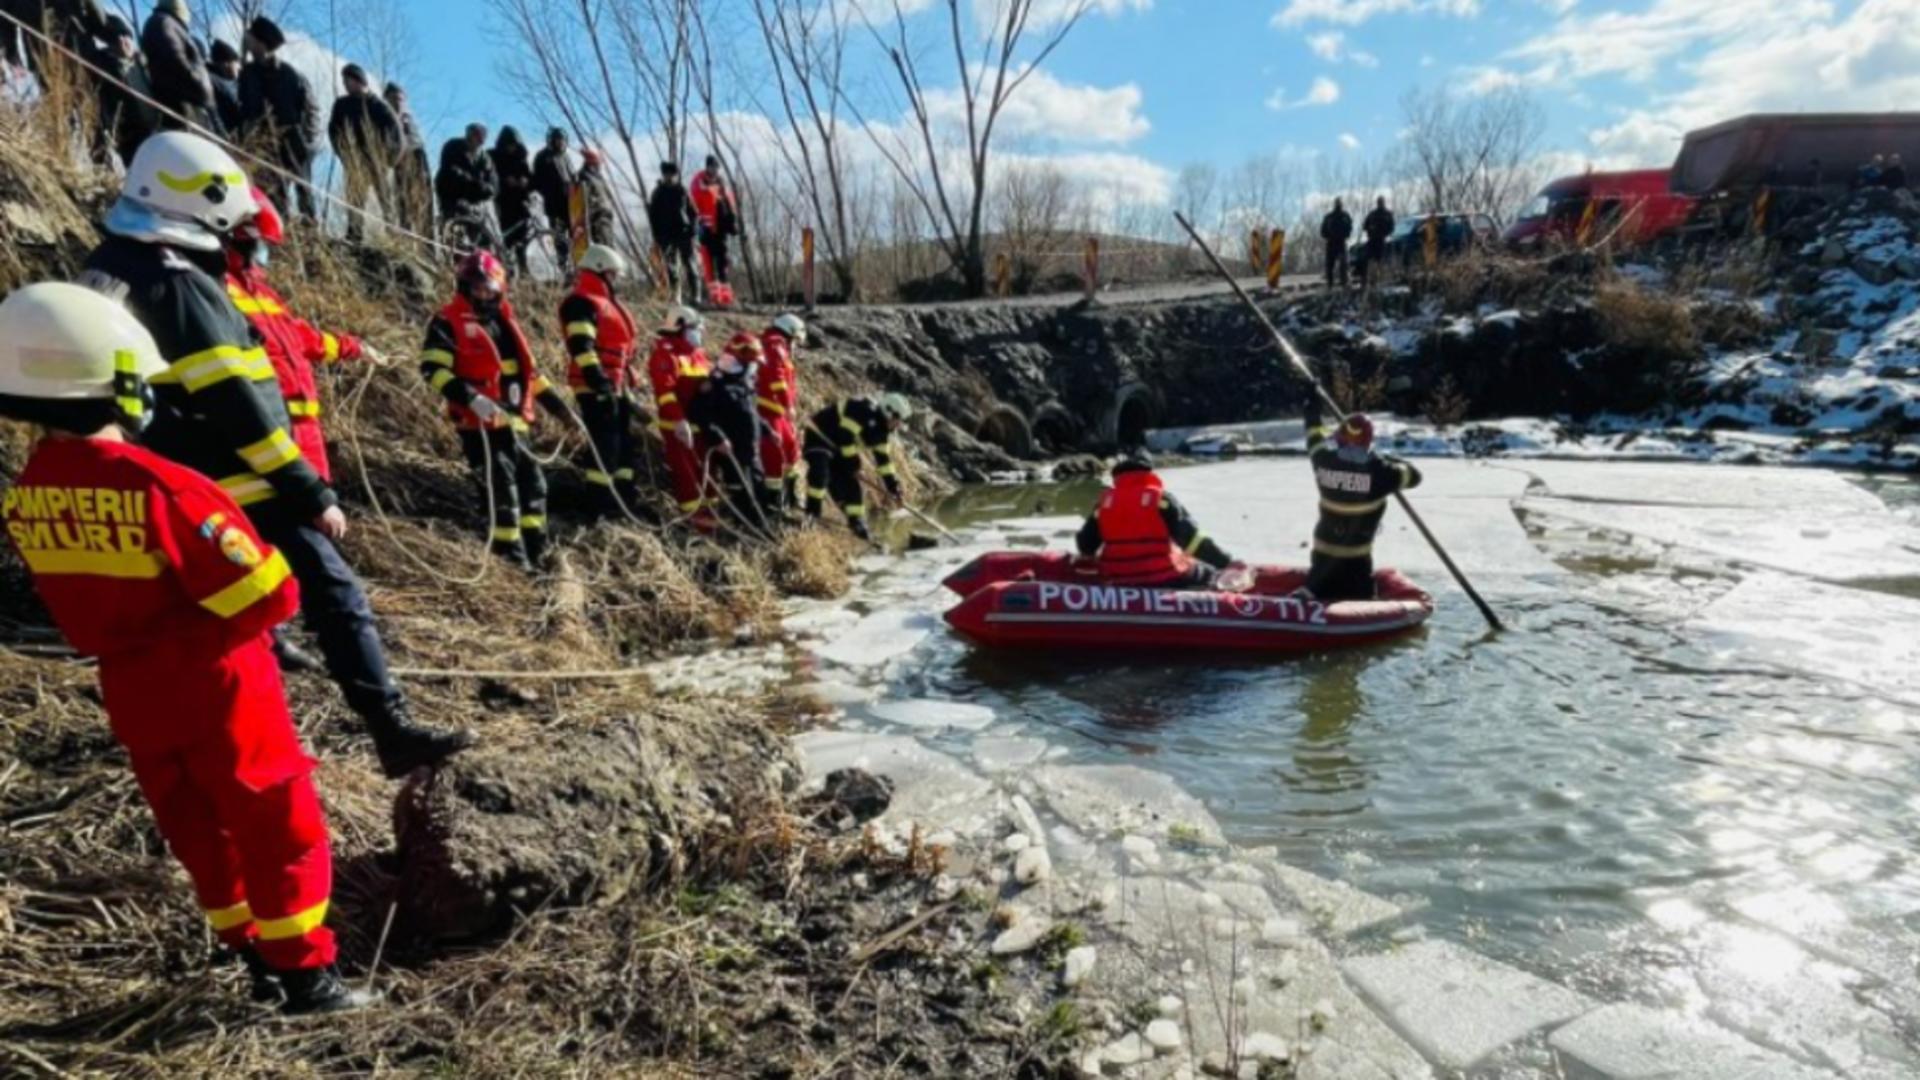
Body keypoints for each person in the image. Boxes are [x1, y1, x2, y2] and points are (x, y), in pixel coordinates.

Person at [0, 282, 374, 1015]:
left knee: (194, 821)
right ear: (114, 387)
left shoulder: (29, 491)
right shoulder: (166, 486)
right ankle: (305, 976)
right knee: (278, 821)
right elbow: (270, 592)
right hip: (220, 680)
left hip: (130, 686)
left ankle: (245, 953)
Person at [79, 132, 470, 778]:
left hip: (176, 484)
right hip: (243, 481)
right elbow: (235, 397)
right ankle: (389, 730)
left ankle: (246, 749)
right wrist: (306, 490)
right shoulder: (180, 282)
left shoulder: (109, 265)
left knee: (231, 622)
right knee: (337, 597)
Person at [420, 250, 569, 567]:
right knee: (503, 493)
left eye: (490, 290)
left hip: (515, 421)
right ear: (465, 286)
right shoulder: (447, 322)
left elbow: (530, 375)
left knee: (534, 487)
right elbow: (434, 370)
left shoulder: (505, 322)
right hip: (480, 425)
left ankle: (538, 551)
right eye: (478, 289)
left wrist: (562, 411)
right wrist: (472, 399)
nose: (484, 295)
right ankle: (513, 561)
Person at [223, 187, 366, 488]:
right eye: (261, 247)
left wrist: (354, 347)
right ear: (240, 242)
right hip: (272, 428)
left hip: (306, 428)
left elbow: (303, 339)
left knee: (321, 505)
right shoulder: (221, 292)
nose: (265, 257)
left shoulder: (264, 294)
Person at [1302, 396, 1422, 602]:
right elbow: (1415, 476)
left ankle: (1308, 598)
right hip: (1356, 565)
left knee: (1318, 593)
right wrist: (1387, 460)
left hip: (1322, 564)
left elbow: (1314, 436)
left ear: (1339, 438)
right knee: (1362, 599)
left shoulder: (1323, 461)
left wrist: (1312, 409)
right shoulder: (1382, 474)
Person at [1075, 453, 1239, 589]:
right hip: (1162, 576)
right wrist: (1226, 562)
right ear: (1149, 472)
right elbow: (1192, 541)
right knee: (1208, 572)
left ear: (1116, 476)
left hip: (1116, 576)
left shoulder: (1104, 504)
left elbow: (1085, 544)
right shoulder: (1161, 499)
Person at [559, 244, 640, 513]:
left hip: (616, 383)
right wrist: (597, 380)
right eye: (613, 274)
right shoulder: (581, 302)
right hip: (595, 384)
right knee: (605, 442)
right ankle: (600, 502)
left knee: (624, 442)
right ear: (600, 271)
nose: (616, 280)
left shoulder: (605, 302)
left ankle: (624, 498)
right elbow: (581, 344)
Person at [238, 16, 319, 223]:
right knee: (272, 196)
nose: (247, 41)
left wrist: (307, 142)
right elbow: (244, 110)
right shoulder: (247, 74)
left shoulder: (290, 75)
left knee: (304, 193)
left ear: (261, 43)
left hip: (294, 142)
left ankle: (310, 233)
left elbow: (312, 111)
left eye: (251, 38)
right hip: (263, 145)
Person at [647, 306, 717, 531]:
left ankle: (711, 524)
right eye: (695, 329)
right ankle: (695, 527)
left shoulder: (698, 354)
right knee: (688, 478)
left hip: (701, 426)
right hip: (679, 428)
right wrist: (678, 421)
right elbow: (665, 393)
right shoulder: (665, 353)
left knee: (708, 475)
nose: (700, 333)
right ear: (680, 328)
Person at [803, 394, 909, 542]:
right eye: (897, 421)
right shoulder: (861, 410)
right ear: (889, 411)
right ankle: (812, 514)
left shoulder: (882, 432)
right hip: (820, 437)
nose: (898, 425)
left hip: (839, 451)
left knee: (854, 490)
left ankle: (858, 525)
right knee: (820, 475)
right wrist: (855, 466)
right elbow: (845, 437)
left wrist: (894, 488)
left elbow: (884, 461)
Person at [689, 334, 769, 528]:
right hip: (732, 451)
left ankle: (762, 526)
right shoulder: (716, 384)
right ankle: (746, 530)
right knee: (742, 492)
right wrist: (718, 439)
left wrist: (766, 429)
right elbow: (700, 415)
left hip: (750, 450)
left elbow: (749, 412)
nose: (754, 366)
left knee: (759, 488)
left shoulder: (743, 381)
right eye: (750, 361)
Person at [327, 64, 400, 241]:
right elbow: (333, 131)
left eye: (348, 80)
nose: (345, 84)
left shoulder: (378, 106)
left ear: (359, 80)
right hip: (353, 162)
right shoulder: (341, 105)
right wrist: (343, 153)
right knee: (354, 202)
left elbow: (396, 134)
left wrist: (387, 159)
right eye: (343, 80)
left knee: (386, 203)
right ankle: (354, 236)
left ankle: (393, 238)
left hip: (376, 162)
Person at [141, 0, 218, 132]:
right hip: (184, 110)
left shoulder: (167, 23)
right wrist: (201, 87)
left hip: (188, 107)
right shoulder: (163, 24)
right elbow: (177, 65)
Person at [91, 15, 153, 168]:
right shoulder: (103, 70)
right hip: (130, 141)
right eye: (117, 38)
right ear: (110, 44)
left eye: (126, 36)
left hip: (154, 132)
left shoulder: (142, 65)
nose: (123, 41)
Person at [0, 0, 112, 84]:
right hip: (44, 64)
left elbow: (100, 19)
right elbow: (4, 26)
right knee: (60, 109)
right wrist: (13, 59)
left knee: (97, 107)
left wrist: (120, 35)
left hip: (84, 56)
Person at [757, 314, 805, 511]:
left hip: (779, 413)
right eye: (796, 340)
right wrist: (788, 405)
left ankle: (792, 496)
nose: (796, 346)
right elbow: (777, 380)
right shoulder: (773, 346)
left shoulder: (779, 347)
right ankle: (773, 502)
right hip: (769, 411)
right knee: (773, 455)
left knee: (792, 451)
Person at [436, 123, 499, 250]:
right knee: (456, 239)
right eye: (476, 137)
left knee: (483, 240)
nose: (478, 142)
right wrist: (475, 184)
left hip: (475, 204)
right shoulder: (452, 147)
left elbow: (493, 179)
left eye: (481, 139)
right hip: (452, 200)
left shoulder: (484, 158)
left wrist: (490, 189)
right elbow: (450, 172)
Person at [384, 83, 433, 238]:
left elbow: (418, 145)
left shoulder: (410, 122)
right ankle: (406, 241)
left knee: (424, 208)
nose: (398, 103)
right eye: (394, 99)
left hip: (418, 165)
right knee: (404, 208)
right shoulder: (384, 120)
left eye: (400, 99)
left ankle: (427, 247)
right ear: (387, 100)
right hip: (400, 167)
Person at [647, 161, 699, 302]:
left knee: (690, 264)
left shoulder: (682, 191)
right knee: (670, 268)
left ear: (676, 175)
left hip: (683, 233)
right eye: (667, 175)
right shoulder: (657, 193)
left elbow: (693, 212)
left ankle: (696, 296)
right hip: (665, 235)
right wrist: (656, 236)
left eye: (672, 175)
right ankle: (676, 296)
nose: (670, 177)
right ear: (663, 175)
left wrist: (693, 228)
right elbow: (652, 216)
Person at [690, 155, 740, 301]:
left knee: (723, 262)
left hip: (721, 229)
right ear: (707, 167)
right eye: (712, 166)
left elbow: (730, 205)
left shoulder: (722, 183)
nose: (714, 170)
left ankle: (725, 296)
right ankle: (714, 296)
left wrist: (733, 223)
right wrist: (696, 225)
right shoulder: (698, 182)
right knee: (708, 263)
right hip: (706, 229)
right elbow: (694, 204)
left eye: (716, 167)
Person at [490, 126, 535, 275]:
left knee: (522, 240)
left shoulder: (521, 159)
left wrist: (525, 182)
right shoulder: (494, 157)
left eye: (514, 145)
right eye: (508, 145)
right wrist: (504, 181)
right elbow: (490, 177)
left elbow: (531, 179)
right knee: (505, 239)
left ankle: (523, 269)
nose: (511, 148)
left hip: (521, 204)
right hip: (503, 203)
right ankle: (505, 270)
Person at [532, 127, 574, 269]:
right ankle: (563, 267)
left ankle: (578, 267)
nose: (560, 143)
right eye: (557, 140)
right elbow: (537, 181)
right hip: (554, 205)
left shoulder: (566, 157)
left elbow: (573, 176)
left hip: (571, 204)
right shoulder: (543, 157)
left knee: (576, 237)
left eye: (562, 140)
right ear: (552, 140)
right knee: (559, 239)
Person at [576, 146, 616, 245]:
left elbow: (608, 194)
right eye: (597, 164)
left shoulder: (598, 177)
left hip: (606, 216)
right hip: (597, 219)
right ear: (591, 163)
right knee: (604, 246)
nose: (599, 166)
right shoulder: (584, 178)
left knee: (609, 245)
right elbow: (586, 200)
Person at [207, 39, 242, 134]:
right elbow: (237, 110)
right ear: (226, 63)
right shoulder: (218, 83)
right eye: (236, 62)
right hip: (227, 137)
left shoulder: (229, 82)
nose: (239, 67)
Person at [1359, 197, 1394, 288]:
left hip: (1382, 240)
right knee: (1368, 260)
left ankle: (1381, 280)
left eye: (1381, 202)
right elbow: (1365, 226)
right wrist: (1370, 228)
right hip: (1372, 240)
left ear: (1384, 203)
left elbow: (1391, 228)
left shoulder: (1388, 214)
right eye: (1379, 202)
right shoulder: (1372, 214)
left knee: (1381, 261)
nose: (1380, 203)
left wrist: (1383, 231)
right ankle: (1368, 281)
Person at [1320, 199, 1353, 289]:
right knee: (1330, 265)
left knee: (1344, 265)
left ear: (1341, 204)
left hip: (1341, 242)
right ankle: (1330, 285)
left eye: (1340, 203)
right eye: (1337, 203)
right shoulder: (1329, 217)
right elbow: (1322, 231)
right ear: (1334, 204)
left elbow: (1350, 228)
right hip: (1331, 242)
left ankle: (1344, 284)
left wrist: (1345, 235)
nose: (1338, 205)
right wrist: (1329, 236)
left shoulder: (1345, 216)